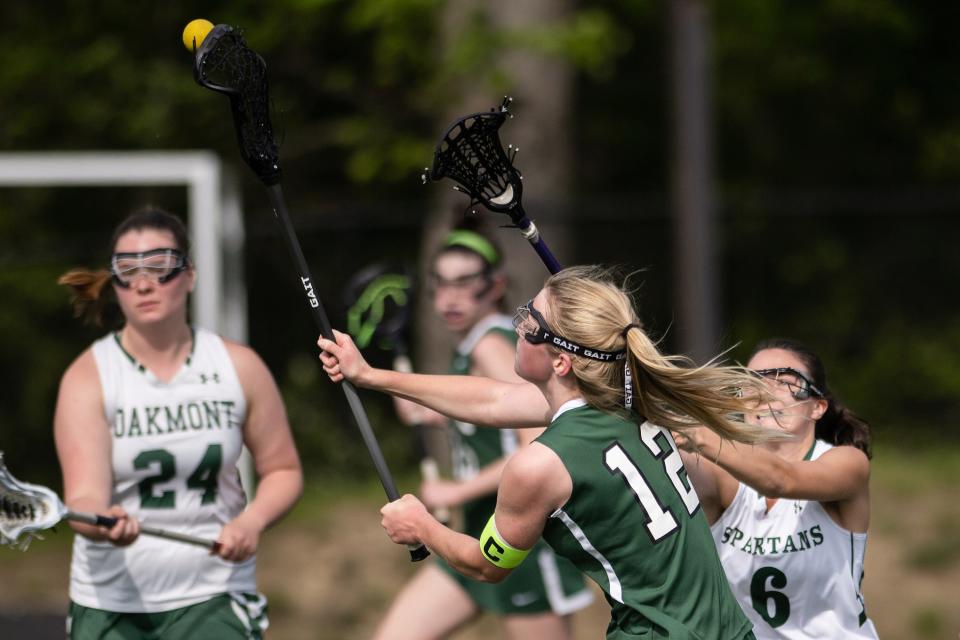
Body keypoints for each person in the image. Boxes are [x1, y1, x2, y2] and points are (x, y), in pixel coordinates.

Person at [320, 264, 776, 639]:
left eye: (530, 322)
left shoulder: (540, 465)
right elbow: (492, 400)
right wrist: (372, 376)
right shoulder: (627, 400)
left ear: (560, 361)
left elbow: (485, 564)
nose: (516, 327)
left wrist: (420, 523)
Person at [54, 207, 303, 639]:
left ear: (189, 274)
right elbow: (83, 495)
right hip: (111, 601)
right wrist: (104, 519)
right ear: (115, 285)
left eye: (159, 265)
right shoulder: (88, 376)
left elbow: (283, 469)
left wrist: (252, 521)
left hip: (214, 593)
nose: (144, 283)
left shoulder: (237, 367)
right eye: (127, 270)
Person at [375, 227, 592, 640]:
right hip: (471, 536)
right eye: (441, 283)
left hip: (518, 545)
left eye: (465, 283)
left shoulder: (490, 347)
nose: (451, 297)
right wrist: (439, 414)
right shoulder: (472, 347)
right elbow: (493, 414)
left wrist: (456, 491)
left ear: (495, 286)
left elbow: (536, 451)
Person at [671, 338, 878, 638]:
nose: (766, 391)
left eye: (786, 381)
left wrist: (699, 433)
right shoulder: (723, 476)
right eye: (753, 381)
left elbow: (782, 479)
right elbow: (670, 454)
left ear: (818, 406)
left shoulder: (848, 462)